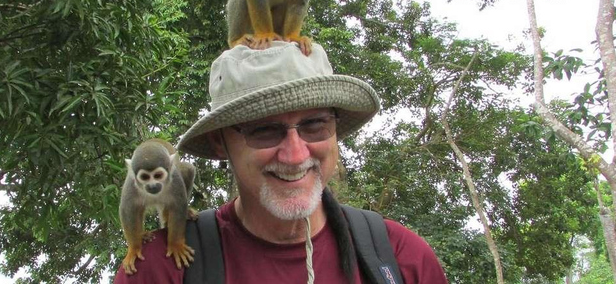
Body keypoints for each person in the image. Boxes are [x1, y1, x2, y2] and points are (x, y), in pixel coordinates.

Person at [113, 41, 447, 283]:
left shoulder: (400, 258)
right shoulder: (162, 269)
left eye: (315, 125)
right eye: (264, 130)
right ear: (220, 142)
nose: (296, 155)